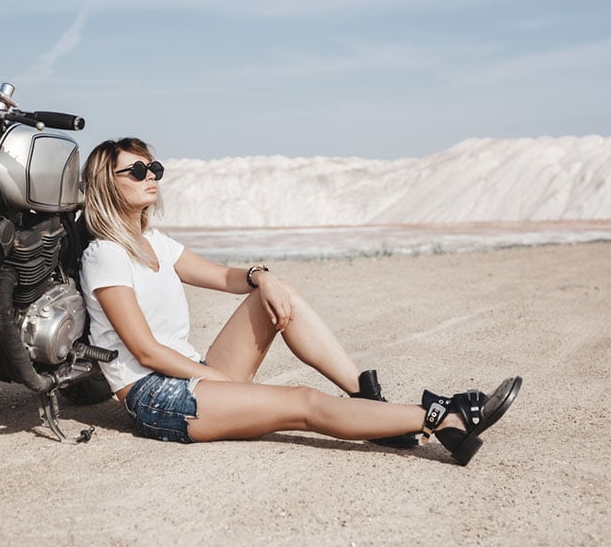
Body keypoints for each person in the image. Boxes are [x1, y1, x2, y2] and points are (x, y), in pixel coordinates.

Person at [79, 137, 521, 465]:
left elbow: (223, 277)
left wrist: (261, 277)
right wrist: (212, 376)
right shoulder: (105, 255)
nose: (150, 176)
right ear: (107, 184)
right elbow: (145, 351)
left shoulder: (155, 241)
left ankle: (368, 400)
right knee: (302, 404)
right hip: (156, 396)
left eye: (154, 168)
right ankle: (441, 416)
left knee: (278, 293)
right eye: (136, 172)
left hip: (192, 375)